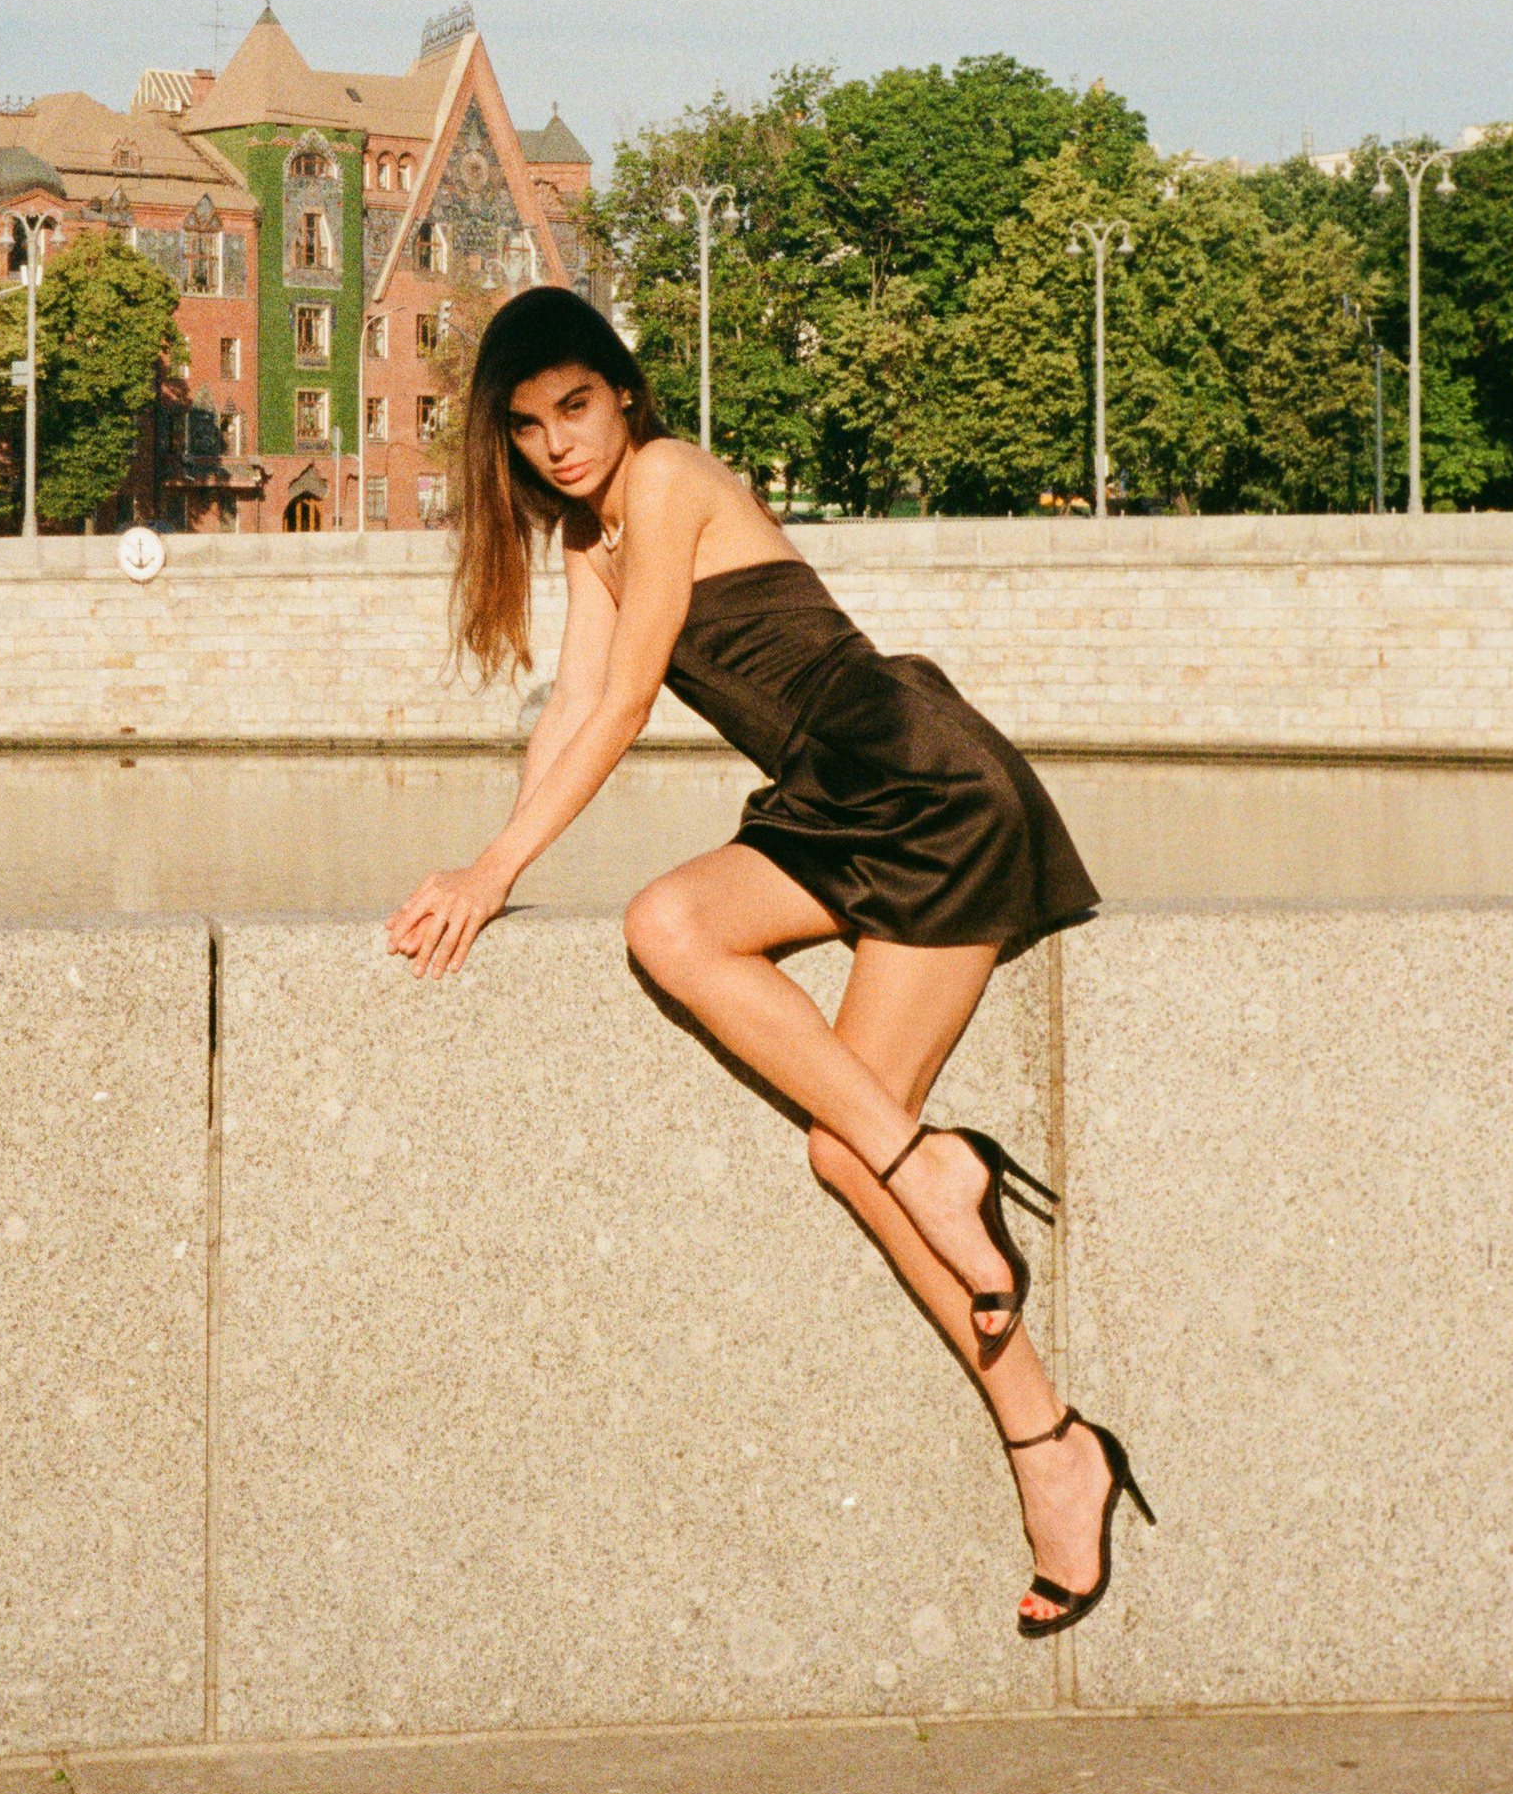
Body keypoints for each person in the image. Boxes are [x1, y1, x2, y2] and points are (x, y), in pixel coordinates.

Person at [382, 285, 1151, 1637]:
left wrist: (502, 871)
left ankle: (1037, 1446)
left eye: (576, 407)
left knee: (847, 1145)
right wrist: (481, 857)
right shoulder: (588, 535)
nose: (559, 444)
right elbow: (569, 700)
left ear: (625, 393)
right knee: (673, 929)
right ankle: (1056, 1429)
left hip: (921, 782)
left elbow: (627, 700)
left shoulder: (671, 476)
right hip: (828, 799)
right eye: (528, 426)